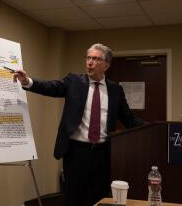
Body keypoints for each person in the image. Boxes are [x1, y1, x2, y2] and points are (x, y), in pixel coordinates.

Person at [13, 43, 144, 206]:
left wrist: (155, 127)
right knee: (74, 197)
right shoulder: (74, 81)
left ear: (106, 65)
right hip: (76, 152)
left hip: (102, 154)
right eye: (88, 58)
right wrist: (27, 81)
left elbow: (129, 119)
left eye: (95, 59)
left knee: (98, 197)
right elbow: (51, 87)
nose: (90, 62)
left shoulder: (115, 89)